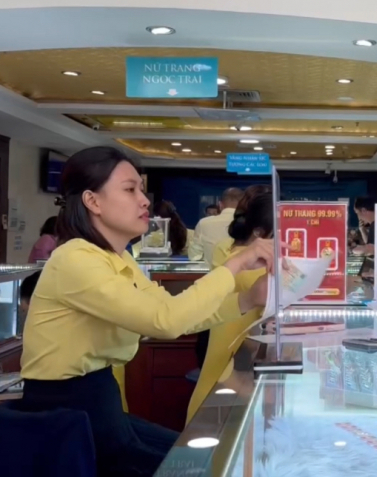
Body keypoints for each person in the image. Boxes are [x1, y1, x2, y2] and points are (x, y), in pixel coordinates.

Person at [19, 146, 275, 476]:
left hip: (99, 403)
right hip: (67, 416)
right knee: (200, 468)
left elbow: (173, 312)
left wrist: (247, 299)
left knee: (206, 461)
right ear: (92, 201)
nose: (144, 201)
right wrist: (235, 265)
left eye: (141, 190)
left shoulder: (117, 258)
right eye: (130, 190)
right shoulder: (75, 259)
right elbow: (165, 321)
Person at [187, 186, 273, 423]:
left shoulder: (228, 251)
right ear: (259, 232)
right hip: (233, 374)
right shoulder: (255, 267)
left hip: (222, 361)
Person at [188, 187, 243, 264]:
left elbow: (194, 256)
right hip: (244, 271)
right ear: (243, 204)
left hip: (213, 270)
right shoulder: (252, 223)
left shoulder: (203, 223)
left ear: (220, 205)